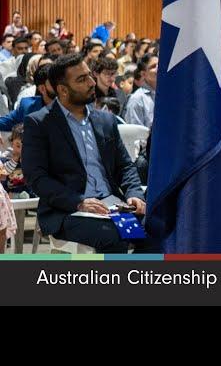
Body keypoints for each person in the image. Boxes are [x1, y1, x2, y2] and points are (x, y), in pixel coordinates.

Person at [22, 53, 158, 253]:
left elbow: (125, 166)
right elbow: (37, 178)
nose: (91, 82)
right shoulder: (40, 123)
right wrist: (79, 202)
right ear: (63, 90)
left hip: (113, 206)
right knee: (113, 235)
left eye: (89, 75)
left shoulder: (105, 121)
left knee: (156, 228)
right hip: (69, 210)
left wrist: (134, 194)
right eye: (82, 79)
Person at [124, 53, 157, 128]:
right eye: (153, 66)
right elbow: (135, 133)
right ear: (143, 74)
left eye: (159, 65)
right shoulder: (137, 98)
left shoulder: (166, 95)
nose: (158, 68)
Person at [0, 124, 31, 198]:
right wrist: (14, 160)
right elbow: (4, 173)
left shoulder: (30, 157)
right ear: (11, 143)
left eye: (25, 147)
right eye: (18, 146)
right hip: (9, 193)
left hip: (26, 192)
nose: (21, 150)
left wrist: (26, 163)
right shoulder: (6, 156)